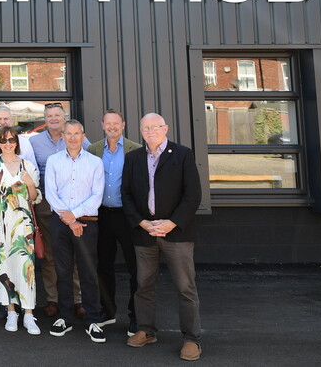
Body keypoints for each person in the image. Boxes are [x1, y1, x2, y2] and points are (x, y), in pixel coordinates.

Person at [122, 114, 203, 361]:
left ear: (165, 128)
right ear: (141, 131)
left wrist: (171, 223)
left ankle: (191, 339)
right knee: (143, 285)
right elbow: (125, 195)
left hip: (176, 234)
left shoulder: (182, 154)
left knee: (185, 287)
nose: (150, 131)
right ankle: (146, 330)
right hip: (145, 234)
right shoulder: (133, 158)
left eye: (155, 127)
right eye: (145, 127)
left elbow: (193, 196)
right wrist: (142, 222)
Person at [44, 120, 107, 343]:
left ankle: (92, 319)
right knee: (63, 270)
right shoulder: (53, 161)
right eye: (68, 134)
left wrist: (74, 215)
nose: (72, 137)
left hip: (87, 222)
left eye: (76, 134)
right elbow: (51, 194)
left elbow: (97, 196)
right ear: (62, 136)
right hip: (61, 223)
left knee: (88, 271)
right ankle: (65, 317)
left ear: (83, 136)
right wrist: (69, 220)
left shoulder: (95, 162)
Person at [29, 102, 89, 318]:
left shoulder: (78, 139)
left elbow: (89, 166)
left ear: (64, 117)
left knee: (74, 252)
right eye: (49, 116)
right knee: (50, 254)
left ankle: (77, 299)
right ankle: (53, 299)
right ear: (44, 119)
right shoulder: (34, 142)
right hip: (45, 203)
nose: (53, 118)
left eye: (57, 115)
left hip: (74, 204)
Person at [0, 126, 41, 335]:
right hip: (0, 224)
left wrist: (28, 183)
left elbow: (35, 197)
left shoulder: (27, 165)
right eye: (3, 140)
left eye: (11, 140)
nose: (8, 144)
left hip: (23, 225)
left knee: (26, 269)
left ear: (17, 142)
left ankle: (28, 314)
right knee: (4, 267)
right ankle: (11, 312)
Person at [88, 109, 142, 334]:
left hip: (127, 216)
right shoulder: (93, 150)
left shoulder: (136, 150)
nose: (112, 127)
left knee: (135, 267)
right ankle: (107, 312)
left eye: (116, 123)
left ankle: (136, 316)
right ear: (102, 125)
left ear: (123, 125)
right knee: (104, 266)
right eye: (108, 123)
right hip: (102, 215)